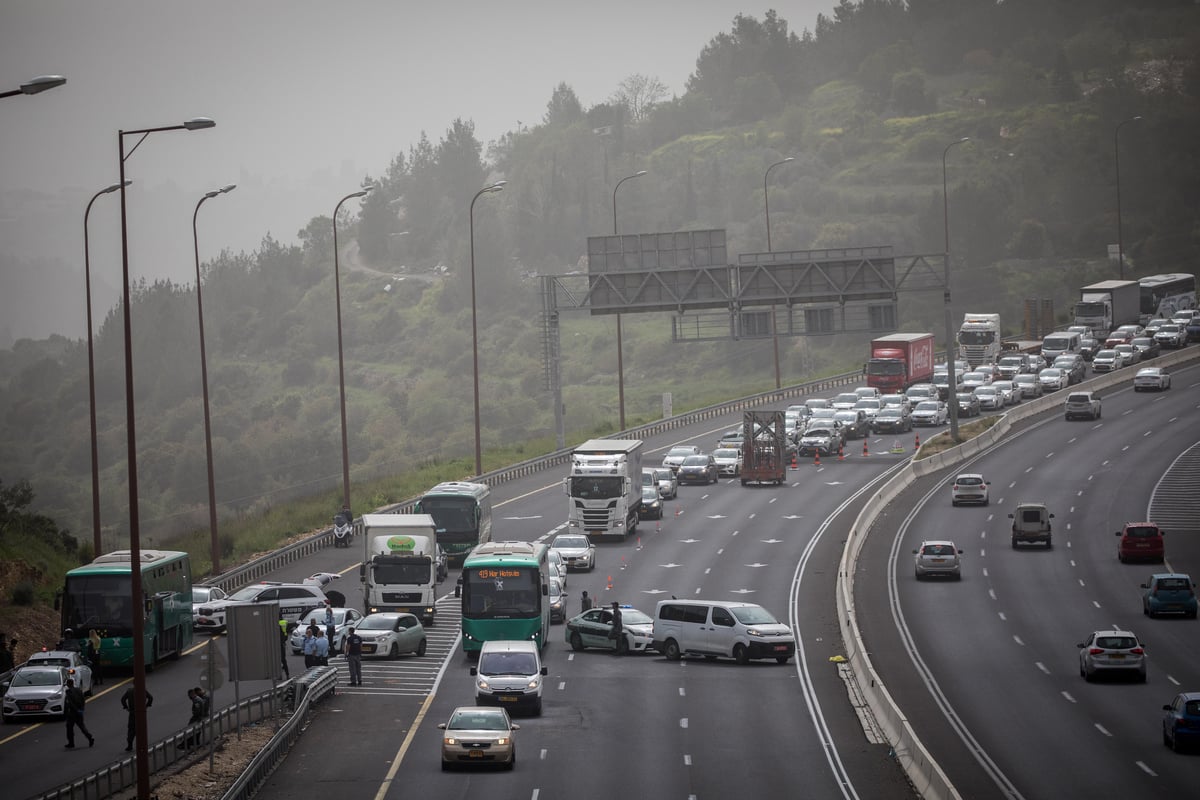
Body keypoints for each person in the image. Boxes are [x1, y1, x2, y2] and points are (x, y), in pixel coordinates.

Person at [121, 685, 153, 751]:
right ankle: (142, 744)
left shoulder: (129, 691)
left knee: (131, 728)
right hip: (141, 713)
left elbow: (123, 699)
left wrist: (126, 707)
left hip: (132, 712)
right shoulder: (143, 690)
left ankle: (130, 744)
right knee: (141, 728)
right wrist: (147, 705)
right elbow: (151, 698)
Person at [64, 677, 94, 749]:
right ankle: (89, 737)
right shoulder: (79, 690)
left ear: (68, 684)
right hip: (80, 711)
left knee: (69, 728)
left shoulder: (68, 692)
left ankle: (71, 742)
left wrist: (74, 710)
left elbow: (70, 703)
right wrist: (81, 709)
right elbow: (83, 700)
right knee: (82, 726)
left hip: (72, 713)